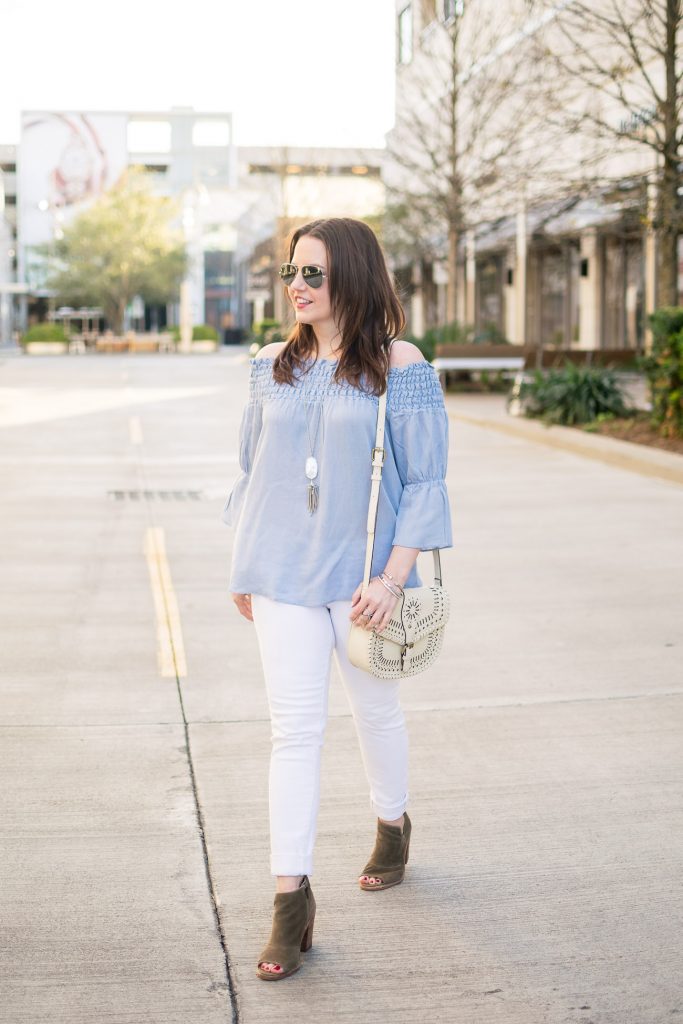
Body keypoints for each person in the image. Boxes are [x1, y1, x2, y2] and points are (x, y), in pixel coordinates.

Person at [222, 217, 452, 981]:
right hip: (281, 574)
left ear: (351, 275)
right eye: (292, 271)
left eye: (314, 273)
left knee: (373, 711)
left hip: (363, 583)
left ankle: (392, 824)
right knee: (294, 734)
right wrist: (242, 565)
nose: (297, 284)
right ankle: (290, 900)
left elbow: (423, 481)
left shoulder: (398, 364)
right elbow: (252, 472)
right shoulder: (269, 363)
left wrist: (391, 578)